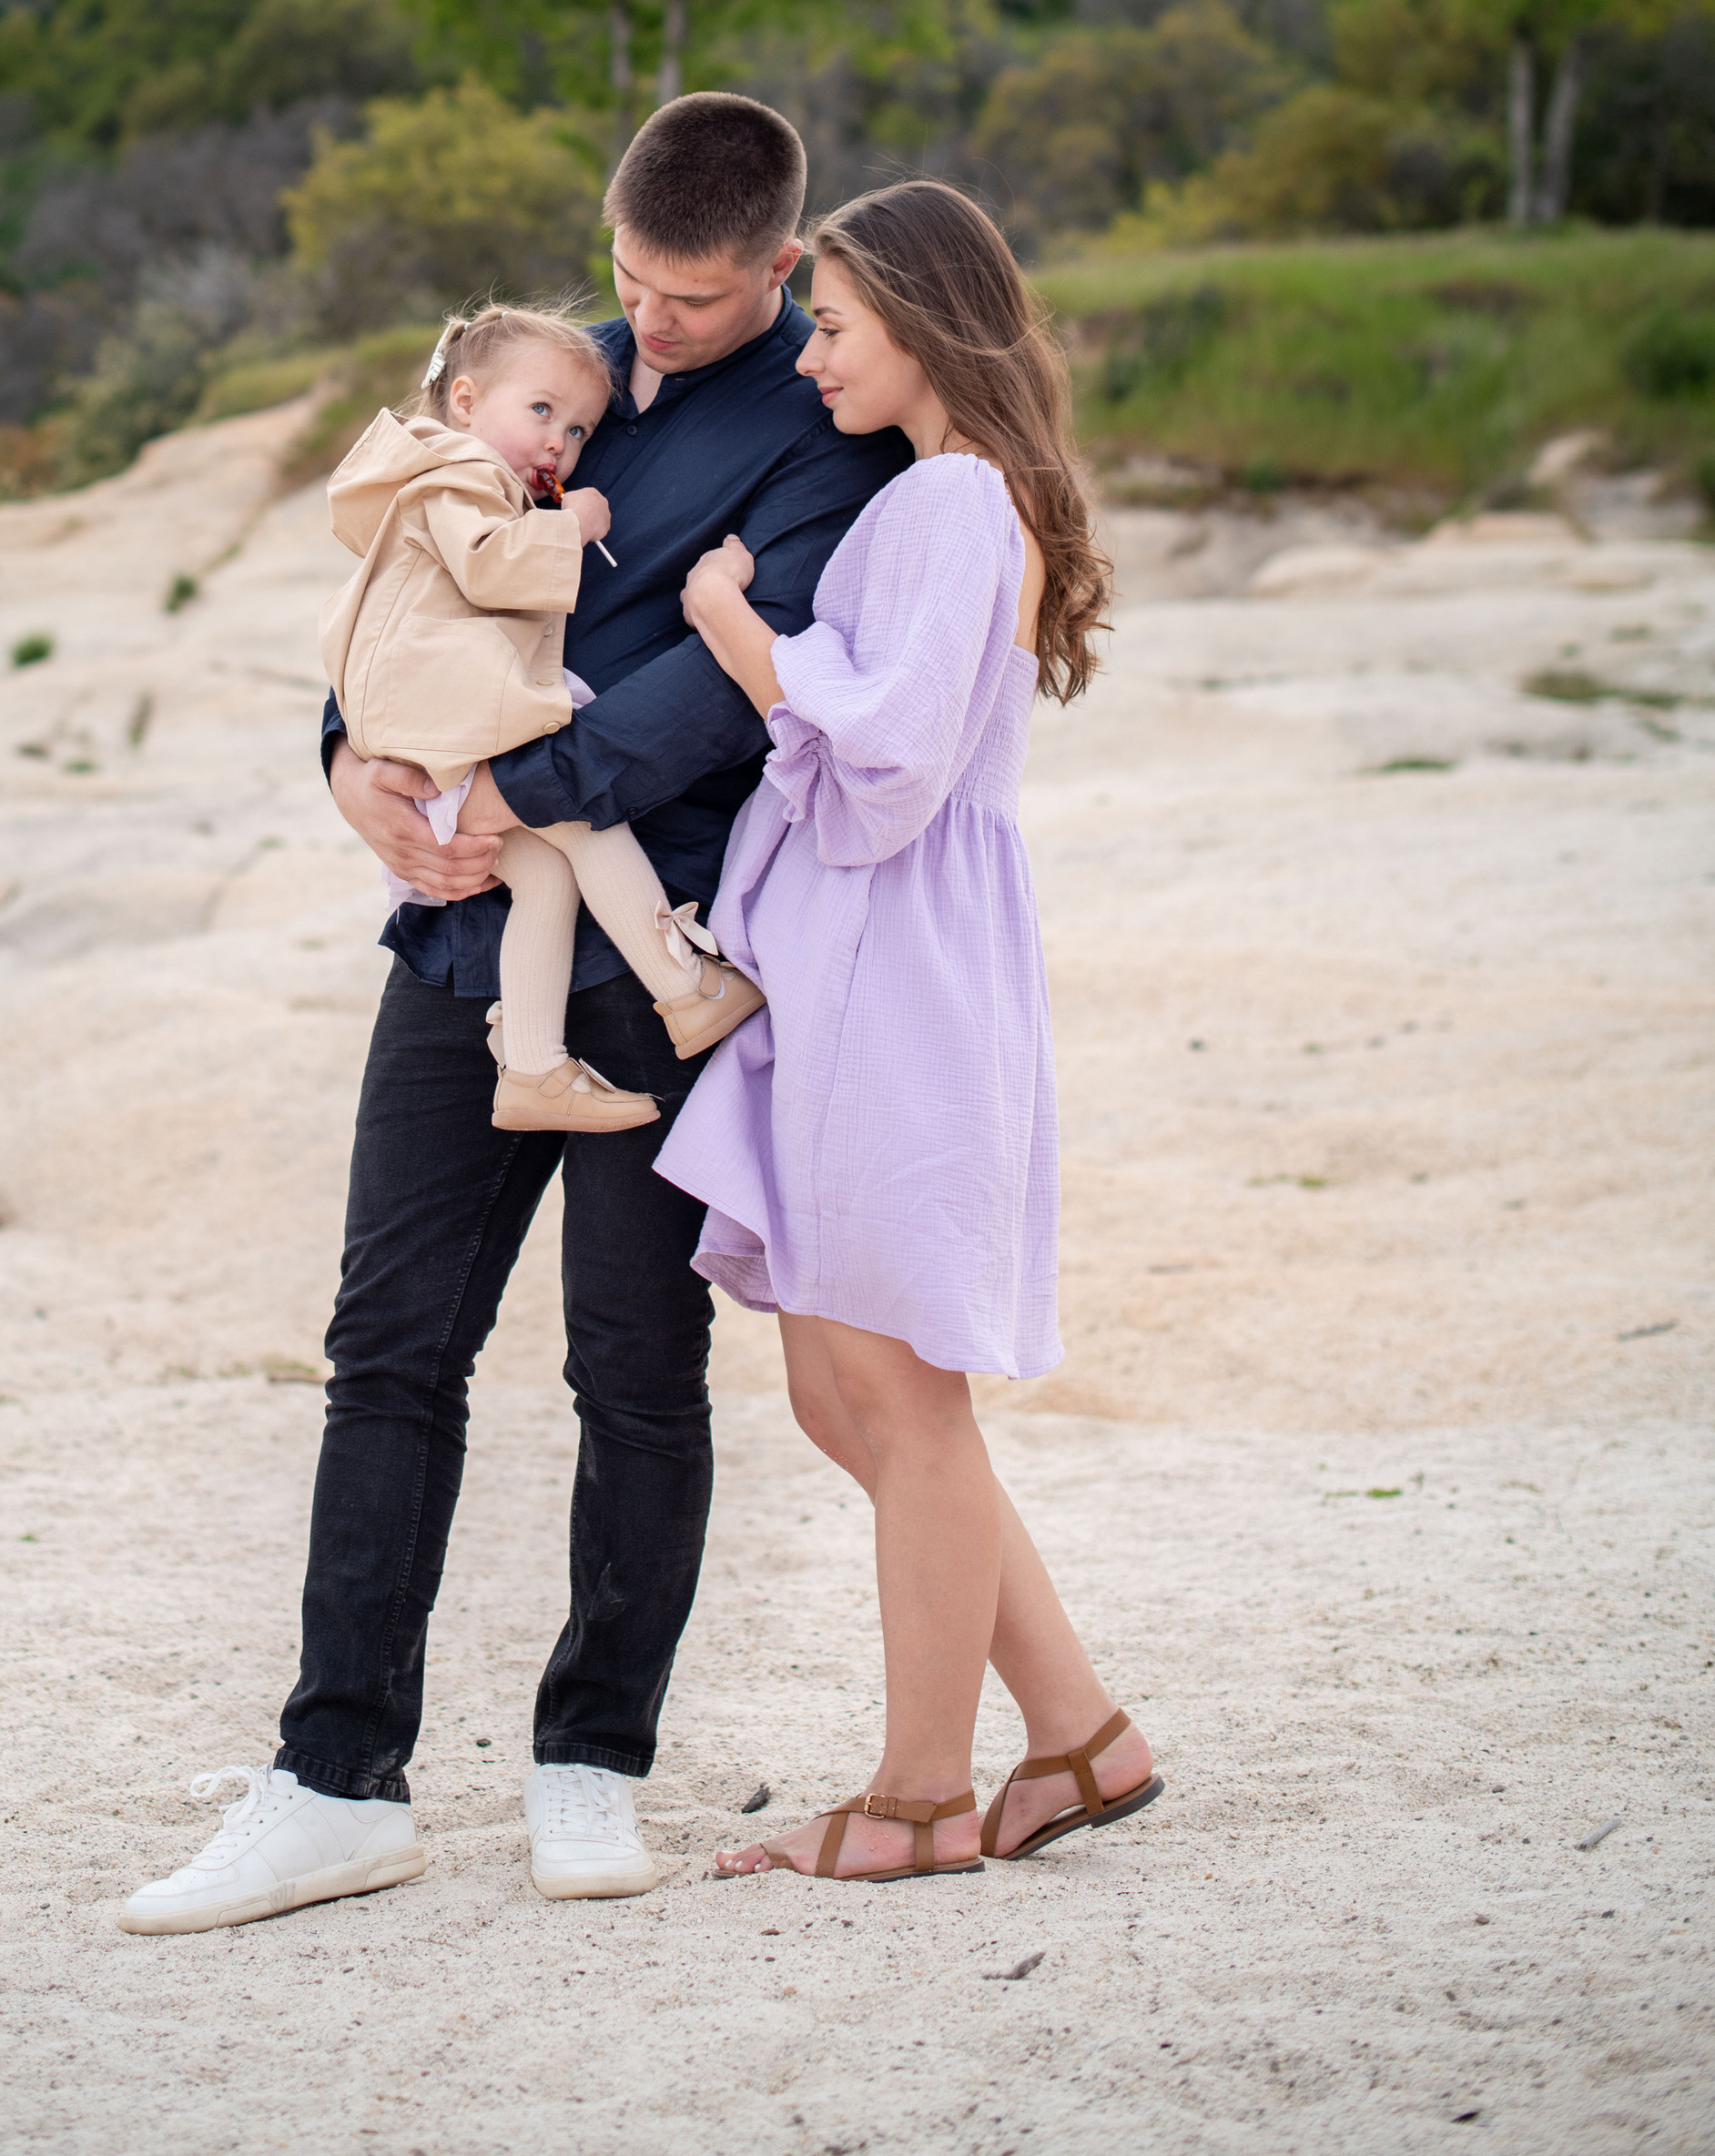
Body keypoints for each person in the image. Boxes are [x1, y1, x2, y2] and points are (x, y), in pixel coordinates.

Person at [117, 94, 908, 1937]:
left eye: (696, 299)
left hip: (658, 957)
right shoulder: (551, 375)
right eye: (630, 279)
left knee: (631, 1373)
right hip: (459, 940)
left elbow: (726, 702)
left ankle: (592, 1758)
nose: (651, 325)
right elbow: (396, 585)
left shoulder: (821, 427)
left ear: (777, 274)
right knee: (386, 1345)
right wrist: (347, 770)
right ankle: (333, 1780)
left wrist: (508, 790)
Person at [655, 179, 1162, 1886]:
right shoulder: (946, 494)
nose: (814, 360)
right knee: (838, 1386)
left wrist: (735, 628)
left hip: (900, 963)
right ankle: (1079, 1732)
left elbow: (889, 770)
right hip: (868, 961)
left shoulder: (953, 495)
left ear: (930, 327)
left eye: (842, 329)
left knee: (895, 1389)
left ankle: (920, 1793)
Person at [320, 303, 764, 1139]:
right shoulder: (457, 472)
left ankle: (530, 1065)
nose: (559, 442)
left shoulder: (466, 475)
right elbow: (489, 569)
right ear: (464, 401)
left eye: (579, 430)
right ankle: (685, 988)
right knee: (581, 817)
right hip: (438, 719)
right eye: (541, 412)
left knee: (546, 876)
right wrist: (570, 525)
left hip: (428, 723)